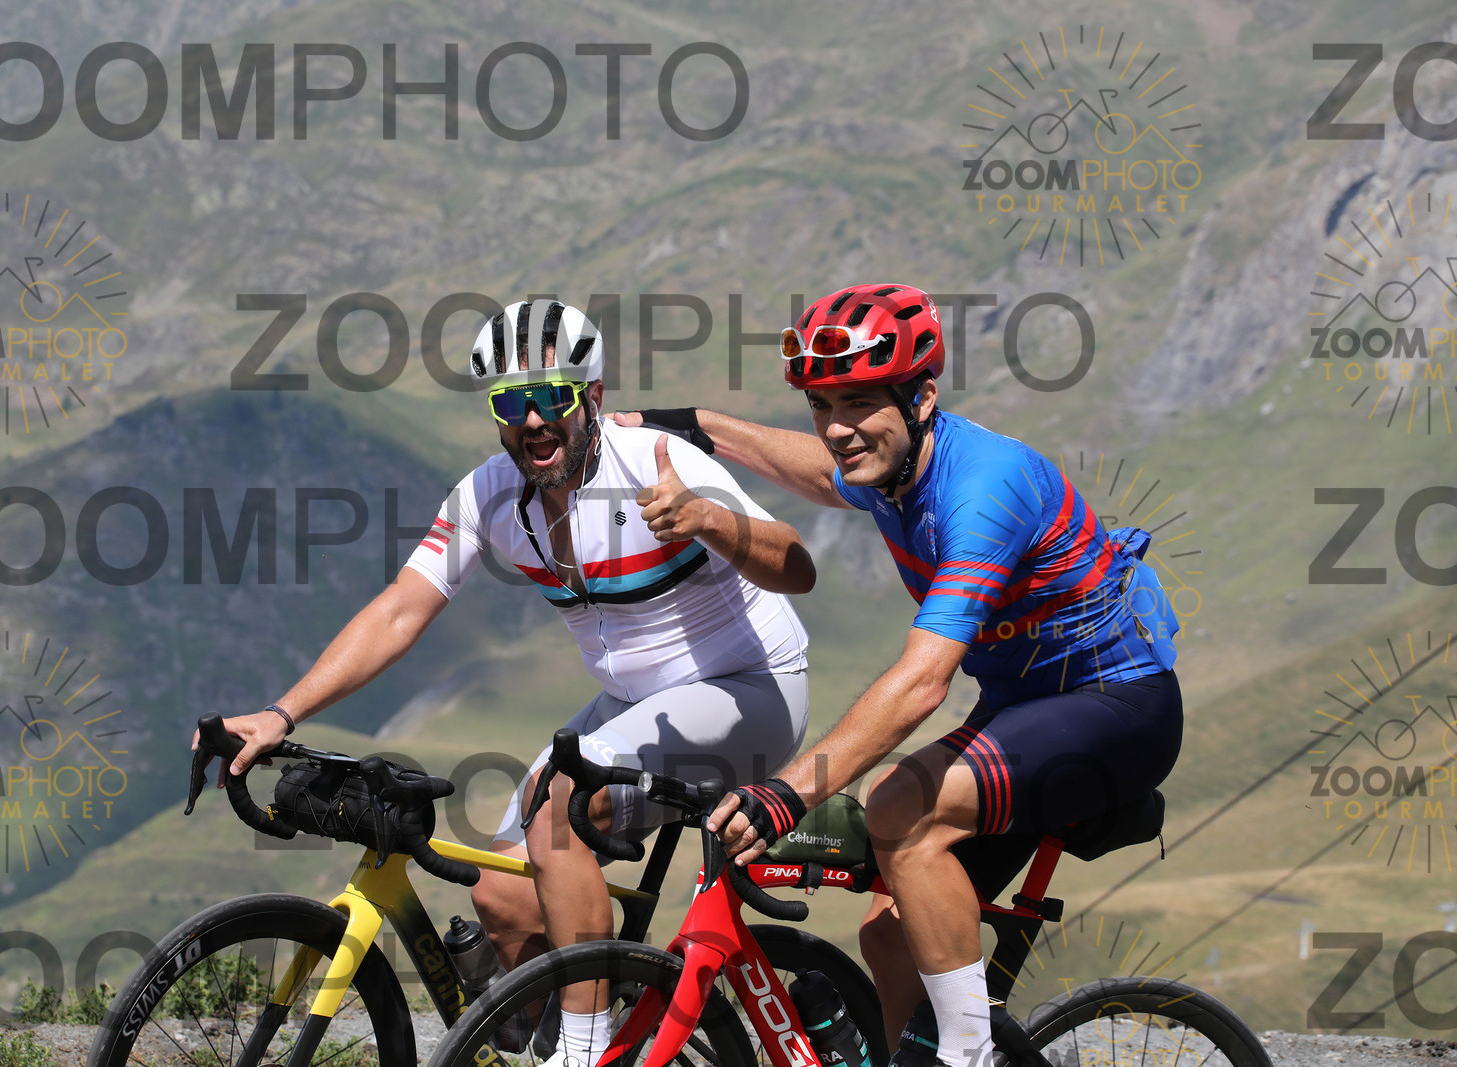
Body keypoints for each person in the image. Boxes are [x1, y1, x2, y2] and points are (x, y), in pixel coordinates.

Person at [199, 298, 814, 1067]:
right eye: (510, 403)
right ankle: (603, 1030)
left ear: (591, 397)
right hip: (633, 703)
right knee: (503, 895)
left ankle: (582, 1054)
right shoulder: (490, 493)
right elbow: (400, 609)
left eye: (551, 396)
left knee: (558, 810)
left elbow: (797, 564)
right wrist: (281, 712)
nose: (532, 420)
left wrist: (710, 522)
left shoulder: (657, 461)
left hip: (750, 688)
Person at [618, 283, 1183, 1067]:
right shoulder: (890, 464)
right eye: (821, 404)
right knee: (889, 933)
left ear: (921, 398)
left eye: (858, 402)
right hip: (1027, 707)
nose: (837, 427)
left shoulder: (983, 490)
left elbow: (923, 682)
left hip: (1116, 708)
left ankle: (966, 1055)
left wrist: (789, 791)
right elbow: (820, 470)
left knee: (898, 810)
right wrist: (699, 426)